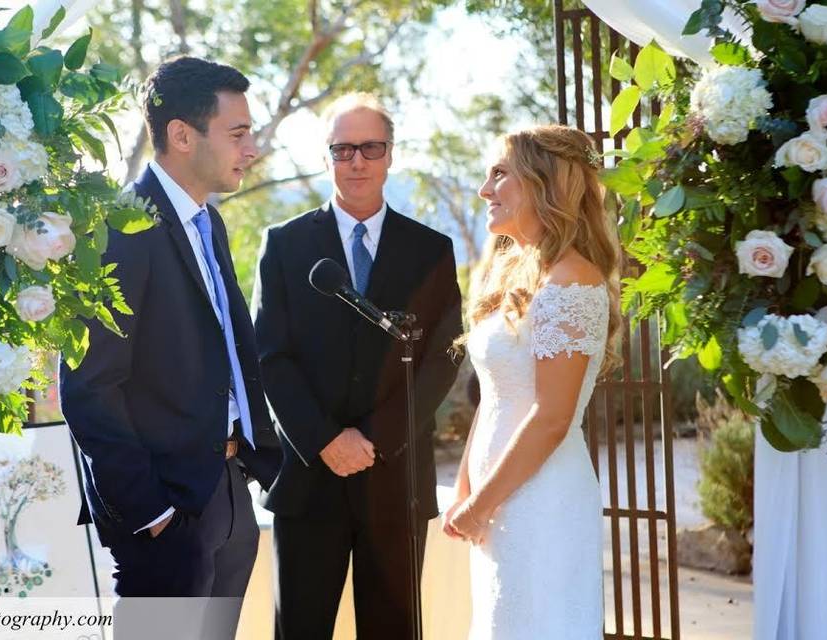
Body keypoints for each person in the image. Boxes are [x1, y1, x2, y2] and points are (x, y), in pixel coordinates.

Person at [60, 56, 281, 630]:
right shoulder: (116, 228)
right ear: (181, 135)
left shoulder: (212, 222)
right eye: (238, 134)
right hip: (168, 514)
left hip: (229, 495)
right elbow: (88, 385)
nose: (251, 149)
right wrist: (151, 512)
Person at [252, 93, 462, 639]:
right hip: (309, 478)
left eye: (370, 147)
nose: (358, 162)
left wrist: (373, 438)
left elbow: (441, 359)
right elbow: (270, 356)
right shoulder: (283, 245)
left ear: (390, 154)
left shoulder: (432, 250)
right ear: (326, 158)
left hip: (396, 478)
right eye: (343, 149)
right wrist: (326, 441)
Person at [441, 125, 620, 639]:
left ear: (544, 183)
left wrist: (482, 503)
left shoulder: (574, 281)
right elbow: (495, 397)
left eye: (499, 173)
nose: (484, 189)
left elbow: (552, 418)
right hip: (500, 501)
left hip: (541, 498)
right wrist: (465, 489)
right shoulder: (519, 273)